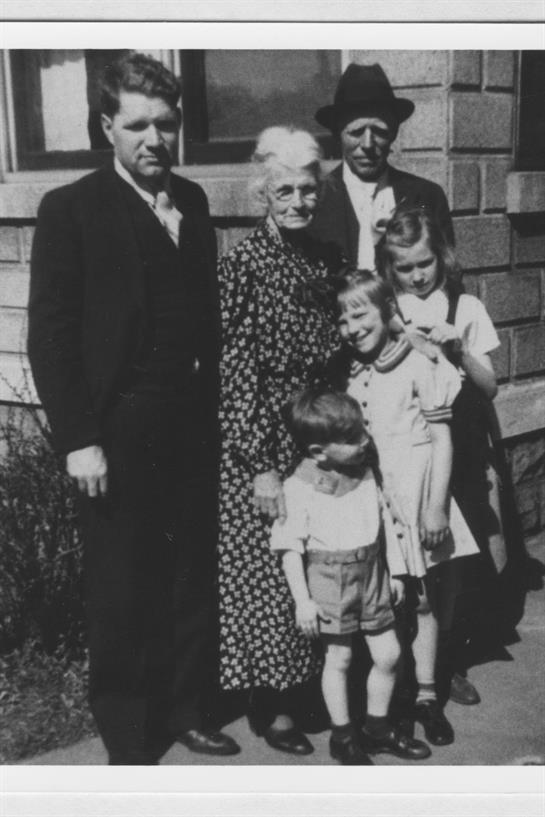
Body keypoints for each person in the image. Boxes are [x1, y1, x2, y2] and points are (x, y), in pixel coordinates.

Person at [27, 52, 239, 764]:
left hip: (192, 426)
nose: (155, 139)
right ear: (106, 126)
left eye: (166, 124)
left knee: (189, 573)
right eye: (138, 125)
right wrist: (78, 438)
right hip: (117, 430)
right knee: (122, 584)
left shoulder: (194, 203)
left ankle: (186, 708)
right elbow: (50, 336)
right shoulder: (71, 210)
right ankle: (128, 731)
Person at [217, 126, 342, 755]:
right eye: (284, 190)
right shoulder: (242, 265)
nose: (298, 201)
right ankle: (273, 704)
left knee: (314, 559)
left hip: (315, 437)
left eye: (307, 189)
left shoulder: (324, 259)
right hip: (261, 442)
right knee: (269, 571)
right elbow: (236, 372)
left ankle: (311, 685)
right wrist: (261, 466)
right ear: (263, 192)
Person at [331, 270, 480, 747]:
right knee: (388, 601)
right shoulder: (349, 369)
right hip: (373, 501)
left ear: (386, 312)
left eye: (360, 315)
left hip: (417, 494)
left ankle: (427, 695)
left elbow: (441, 439)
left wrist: (435, 507)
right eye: (342, 320)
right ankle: (393, 698)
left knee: (423, 599)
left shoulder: (417, 362)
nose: (351, 328)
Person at [377, 204, 504, 704]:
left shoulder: (465, 307)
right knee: (407, 562)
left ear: (442, 257)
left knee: (451, 560)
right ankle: (406, 665)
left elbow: (490, 387)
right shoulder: (390, 310)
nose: (416, 276)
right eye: (404, 267)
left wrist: (460, 351)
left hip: (461, 447)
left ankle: (447, 661)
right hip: (408, 450)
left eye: (424, 263)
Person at [271, 388, 431, 765]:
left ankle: (377, 729)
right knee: (339, 658)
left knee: (389, 654)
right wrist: (303, 601)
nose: (364, 442)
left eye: (362, 431)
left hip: (373, 572)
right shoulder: (299, 486)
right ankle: (343, 737)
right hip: (330, 577)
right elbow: (289, 548)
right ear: (318, 452)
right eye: (351, 438)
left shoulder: (365, 473)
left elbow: (385, 525)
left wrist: (396, 572)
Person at [309, 63, 454, 272]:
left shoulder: (427, 196)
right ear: (338, 135)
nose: (368, 144)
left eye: (379, 131)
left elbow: (448, 275)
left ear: (393, 134)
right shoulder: (315, 198)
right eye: (356, 132)